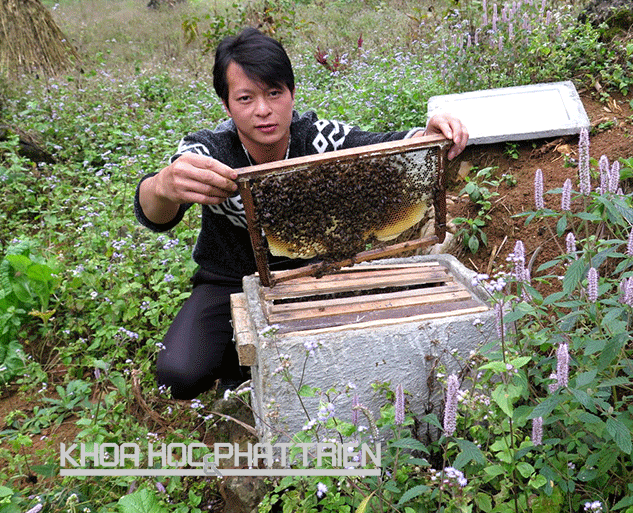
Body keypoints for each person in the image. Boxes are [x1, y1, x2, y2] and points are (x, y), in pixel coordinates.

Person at [134, 27, 468, 399]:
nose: (263, 110)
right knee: (178, 375)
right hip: (229, 279)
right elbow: (157, 213)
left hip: (317, 275)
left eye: (274, 93)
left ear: (292, 94)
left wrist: (428, 135)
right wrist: (162, 185)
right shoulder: (208, 150)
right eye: (245, 98)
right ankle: (236, 365)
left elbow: (383, 145)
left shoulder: (320, 139)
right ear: (226, 106)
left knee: (350, 362)